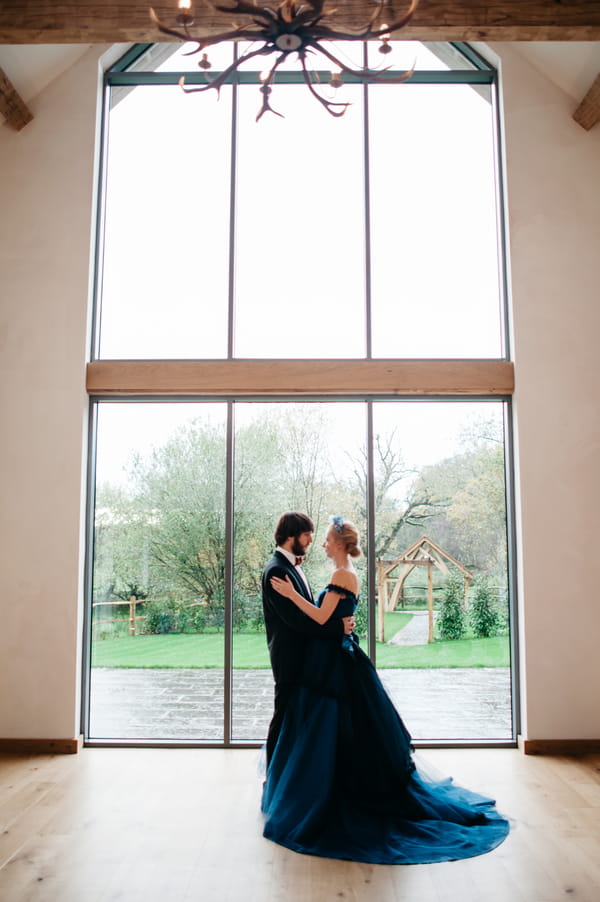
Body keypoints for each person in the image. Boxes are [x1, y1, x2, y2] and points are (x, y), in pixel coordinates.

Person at [262, 514, 510, 865]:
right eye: (312, 536)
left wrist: (295, 597)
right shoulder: (338, 574)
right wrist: (337, 624)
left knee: (329, 727)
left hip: (332, 664)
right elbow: (328, 618)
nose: (320, 544)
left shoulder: (340, 575)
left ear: (338, 544)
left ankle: (333, 790)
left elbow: (319, 618)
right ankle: (326, 785)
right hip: (328, 659)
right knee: (332, 728)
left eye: (326, 540)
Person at [261, 511, 355, 768]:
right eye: (306, 534)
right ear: (291, 536)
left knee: (297, 716)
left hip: (307, 656)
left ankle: (297, 771)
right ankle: (274, 776)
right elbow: (298, 622)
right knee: (283, 716)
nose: (311, 540)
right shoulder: (277, 572)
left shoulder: (291, 567)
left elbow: (310, 613)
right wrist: (339, 628)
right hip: (289, 657)